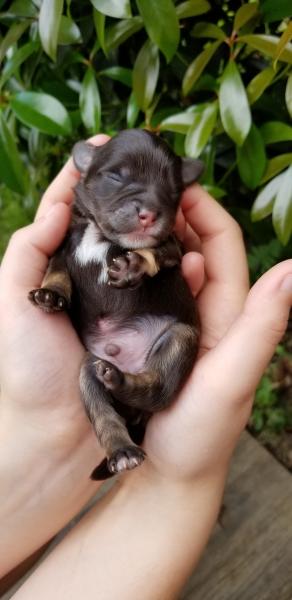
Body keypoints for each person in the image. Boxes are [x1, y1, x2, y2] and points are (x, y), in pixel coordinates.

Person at [0, 134, 291, 599]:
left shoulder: (160, 244)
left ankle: (146, 388)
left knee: (182, 338)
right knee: (87, 376)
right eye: (118, 177)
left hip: (157, 338)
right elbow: (60, 266)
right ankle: (116, 440)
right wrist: (55, 290)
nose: (147, 208)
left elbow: (169, 255)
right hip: (97, 356)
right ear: (86, 169)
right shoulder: (74, 232)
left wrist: (146, 260)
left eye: (166, 193)